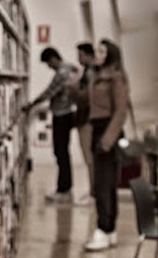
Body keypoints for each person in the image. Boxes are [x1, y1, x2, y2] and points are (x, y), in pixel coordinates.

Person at [84, 39, 130, 251]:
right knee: (107, 183)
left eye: (101, 51)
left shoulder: (116, 78)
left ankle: (103, 229)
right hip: (97, 129)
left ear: (110, 54)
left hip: (107, 131)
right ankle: (109, 230)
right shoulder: (96, 75)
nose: (97, 54)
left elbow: (121, 111)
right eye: (96, 50)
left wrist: (107, 140)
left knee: (104, 184)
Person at [23, 47, 79, 203]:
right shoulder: (71, 68)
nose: (49, 66)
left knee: (60, 152)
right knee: (62, 152)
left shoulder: (62, 73)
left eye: (48, 63)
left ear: (53, 58)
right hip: (66, 113)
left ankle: (64, 190)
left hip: (62, 115)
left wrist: (31, 105)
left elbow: (49, 92)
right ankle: (65, 188)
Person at [69, 43, 96, 205]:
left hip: (87, 120)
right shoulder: (86, 72)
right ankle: (92, 191)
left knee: (89, 158)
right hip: (83, 119)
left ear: (87, 55)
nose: (78, 58)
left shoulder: (90, 73)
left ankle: (93, 193)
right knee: (88, 158)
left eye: (80, 55)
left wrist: (72, 89)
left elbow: (86, 97)